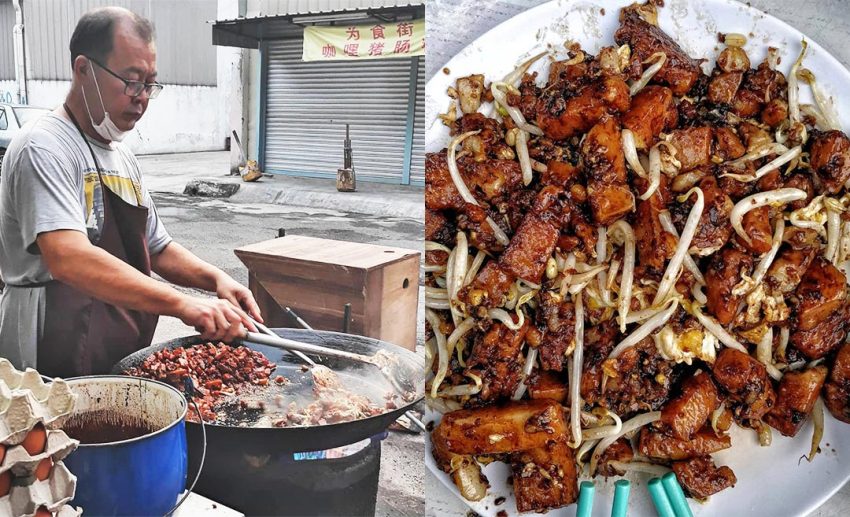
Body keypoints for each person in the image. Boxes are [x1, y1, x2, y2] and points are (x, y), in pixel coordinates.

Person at [0, 7, 261, 377]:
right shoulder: (43, 146)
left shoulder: (121, 155)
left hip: (114, 333)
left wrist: (216, 279)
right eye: (131, 80)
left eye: (150, 83)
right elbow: (67, 257)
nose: (142, 97)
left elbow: (157, 247)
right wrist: (184, 305)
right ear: (83, 70)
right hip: (48, 337)